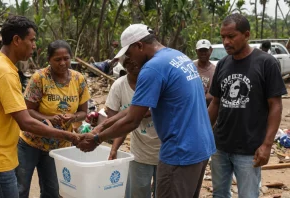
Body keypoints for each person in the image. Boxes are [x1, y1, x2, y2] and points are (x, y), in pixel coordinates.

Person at [77, 24, 216, 198]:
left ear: (139, 46)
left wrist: (96, 139)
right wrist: (99, 128)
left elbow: (132, 120)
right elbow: (138, 111)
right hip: (201, 148)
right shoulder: (179, 57)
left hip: (180, 152)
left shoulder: (152, 68)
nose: (130, 59)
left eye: (129, 53)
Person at [0, 16, 80, 198]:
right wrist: (68, 136)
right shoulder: (4, 72)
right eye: (32, 40)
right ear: (17, 40)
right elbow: (26, 122)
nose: (35, 45)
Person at [208, 14, 287, 198]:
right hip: (220, 146)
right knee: (219, 194)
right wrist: (202, 131)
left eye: (231, 36)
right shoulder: (222, 64)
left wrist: (267, 145)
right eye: (222, 37)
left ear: (247, 34)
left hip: (249, 149)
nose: (226, 42)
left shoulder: (266, 63)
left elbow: (275, 106)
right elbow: (216, 103)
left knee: (248, 195)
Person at [16, 40, 90, 198]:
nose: (63, 63)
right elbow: (27, 110)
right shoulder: (40, 79)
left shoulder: (79, 80)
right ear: (49, 59)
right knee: (20, 189)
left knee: (53, 191)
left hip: (59, 146)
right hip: (31, 143)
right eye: (58, 59)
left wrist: (73, 116)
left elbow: (84, 112)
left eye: (66, 58)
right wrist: (49, 118)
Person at [105, 57, 160, 198]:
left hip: (165, 151)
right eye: (127, 62)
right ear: (123, 65)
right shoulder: (119, 86)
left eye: (135, 60)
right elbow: (121, 124)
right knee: (139, 192)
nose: (133, 65)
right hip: (140, 152)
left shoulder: (157, 81)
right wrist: (114, 149)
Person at [193, 39, 216, 106]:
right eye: (201, 51)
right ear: (196, 51)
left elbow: (212, 94)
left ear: (211, 50)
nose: (203, 53)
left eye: (205, 50)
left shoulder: (215, 70)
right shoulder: (191, 67)